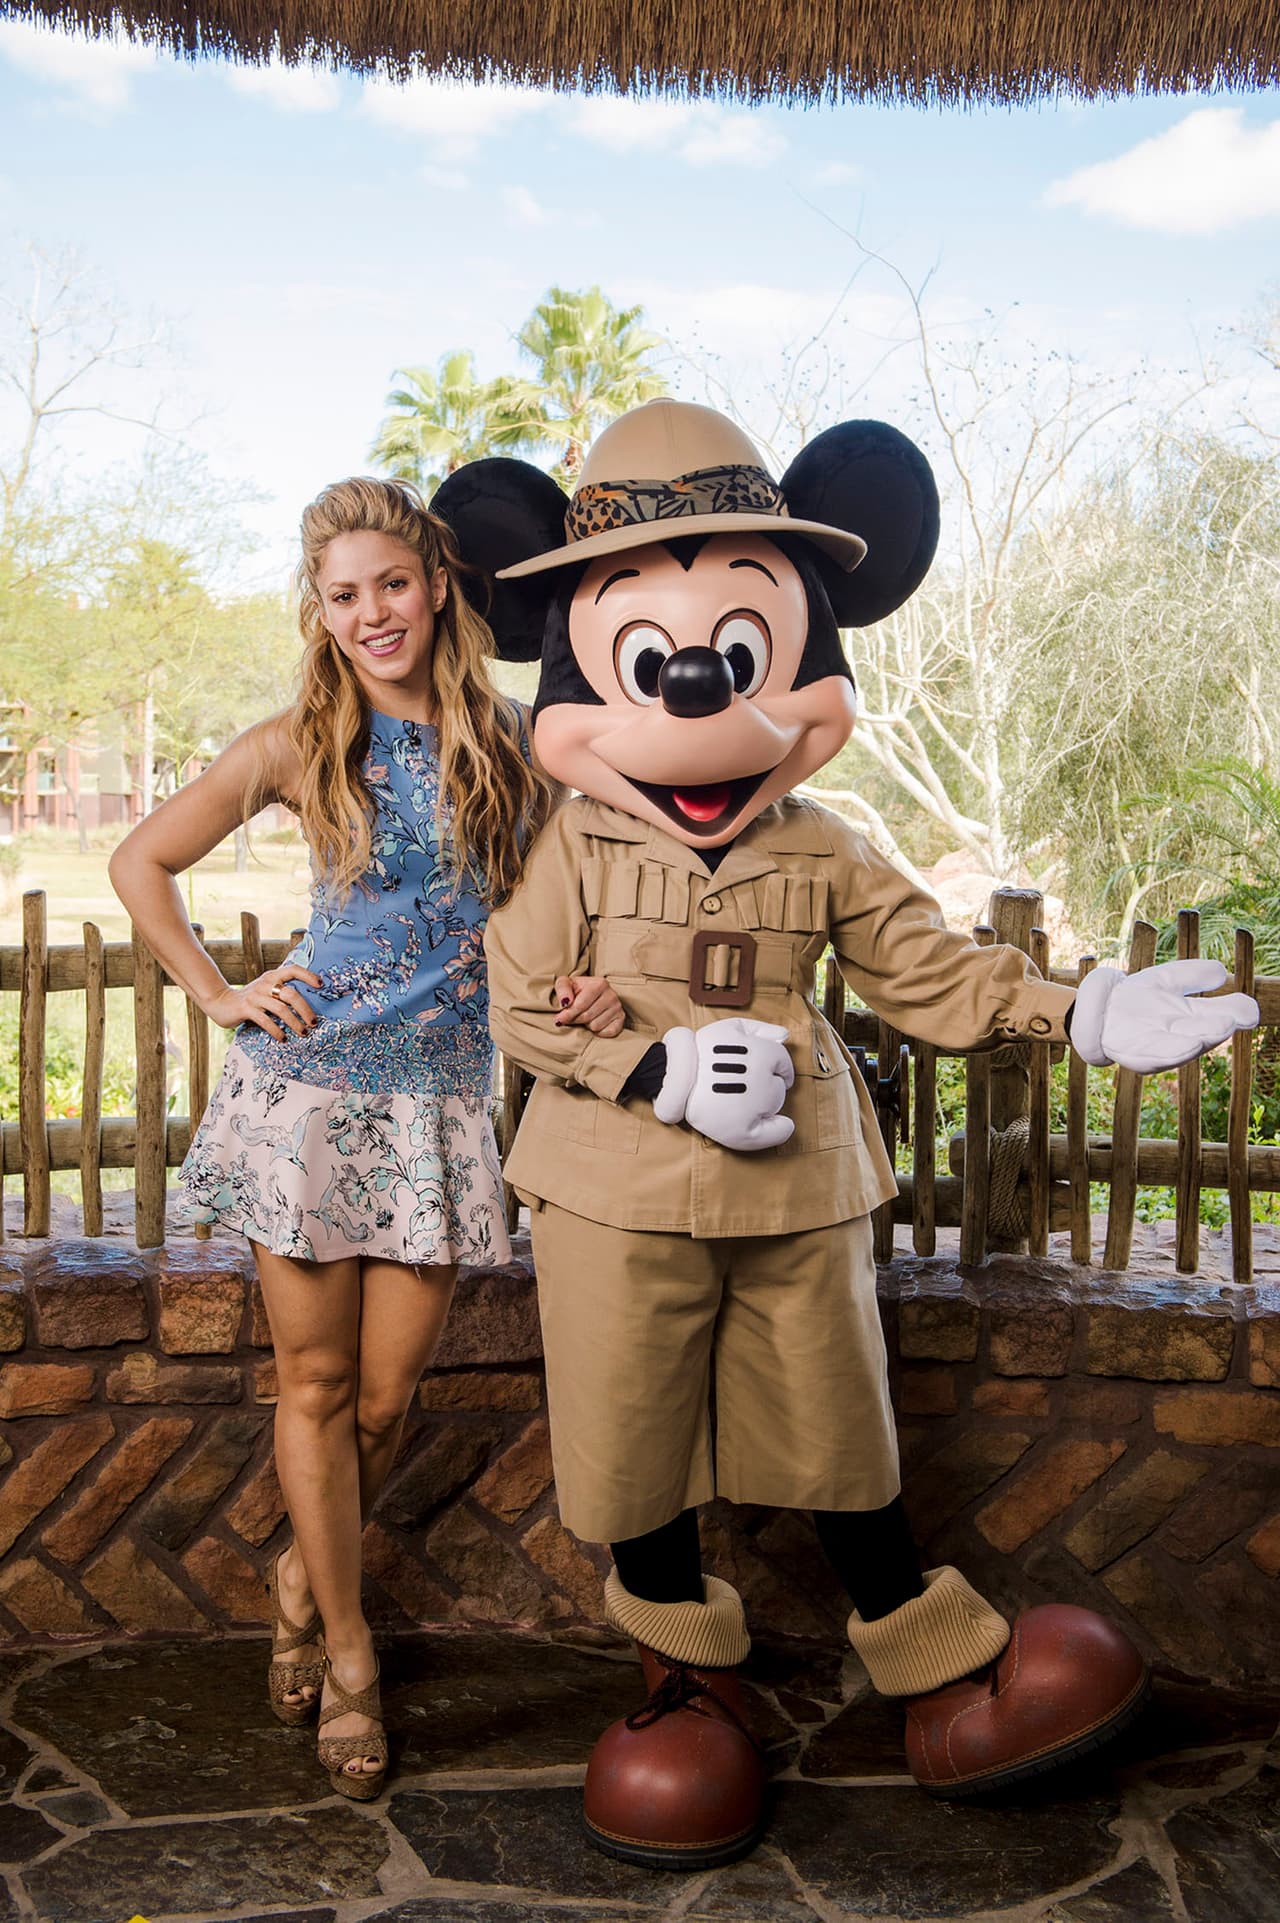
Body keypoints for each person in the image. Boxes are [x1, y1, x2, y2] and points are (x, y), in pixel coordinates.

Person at [432, 399, 1259, 1869]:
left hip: (796, 1190)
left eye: (739, 655)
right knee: (630, 1436)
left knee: (841, 1426)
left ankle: (934, 1661)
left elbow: (928, 970)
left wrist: (1074, 1011)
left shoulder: (823, 848)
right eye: (646, 660)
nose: (695, 694)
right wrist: (654, 1078)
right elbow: (520, 1003)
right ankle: (681, 1679)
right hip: (614, 1192)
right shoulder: (567, 845)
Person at [109, 475, 624, 1801]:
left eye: (390, 584)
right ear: (319, 610)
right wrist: (221, 993)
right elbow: (138, 863)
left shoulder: (514, 740)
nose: (371, 613)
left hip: (441, 1100)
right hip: (310, 1098)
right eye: (343, 595)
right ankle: (346, 1653)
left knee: (387, 1399)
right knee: (318, 1391)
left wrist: (575, 974)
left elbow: (562, 899)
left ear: (437, 584)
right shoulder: (296, 743)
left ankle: (299, 1571)